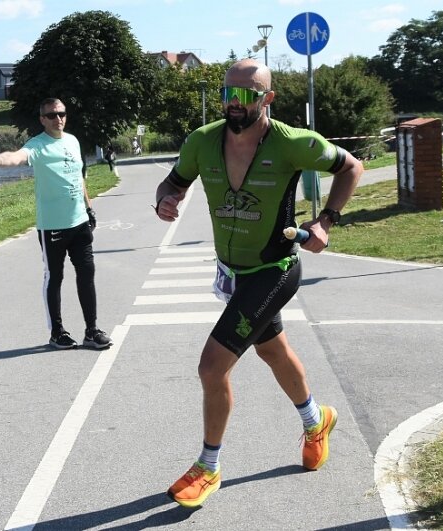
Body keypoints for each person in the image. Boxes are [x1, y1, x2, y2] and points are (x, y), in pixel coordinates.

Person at [154, 59, 363, 508]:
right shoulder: (202, 141)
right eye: (228, 92)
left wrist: (326, 220)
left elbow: (352, 167)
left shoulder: (291, 143)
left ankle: (208, 468)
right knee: (272, 349)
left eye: (246, 95)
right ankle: (316, 419)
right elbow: (171, 183)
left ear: (267, 99)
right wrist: (165, 201)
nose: (234, 102)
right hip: (233, 271)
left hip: (274, 270)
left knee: (212, 366)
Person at [0, 97, 112, 350]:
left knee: (86, 275)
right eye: (51, 115)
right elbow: (14, 157)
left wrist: (89, 208)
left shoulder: (72, 140)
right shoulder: (37, 145)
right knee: (54, 277)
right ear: (42, 120)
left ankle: (91, 331)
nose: (58, 118)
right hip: (53, 226)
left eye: (61, 113)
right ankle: (57, 332)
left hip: (79, 222)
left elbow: (78, 176)